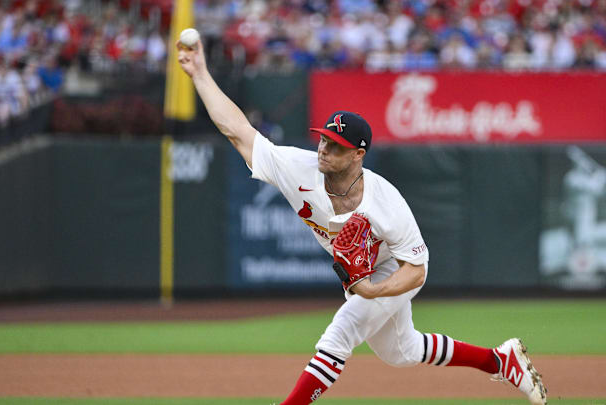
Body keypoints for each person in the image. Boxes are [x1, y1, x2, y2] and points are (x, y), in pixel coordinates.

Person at [176, 37, 547, 405]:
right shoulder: (297, 169)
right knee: (400, 351)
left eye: (335, 144)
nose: (324, 148)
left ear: (358, 154)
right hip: (364, 275)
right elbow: (237, 131)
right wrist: (201, 75)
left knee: (342, 332)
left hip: (394, 269)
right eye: (323, 139)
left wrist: (372, 290)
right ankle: (500, 360)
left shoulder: (387, 204)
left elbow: (416, 271)